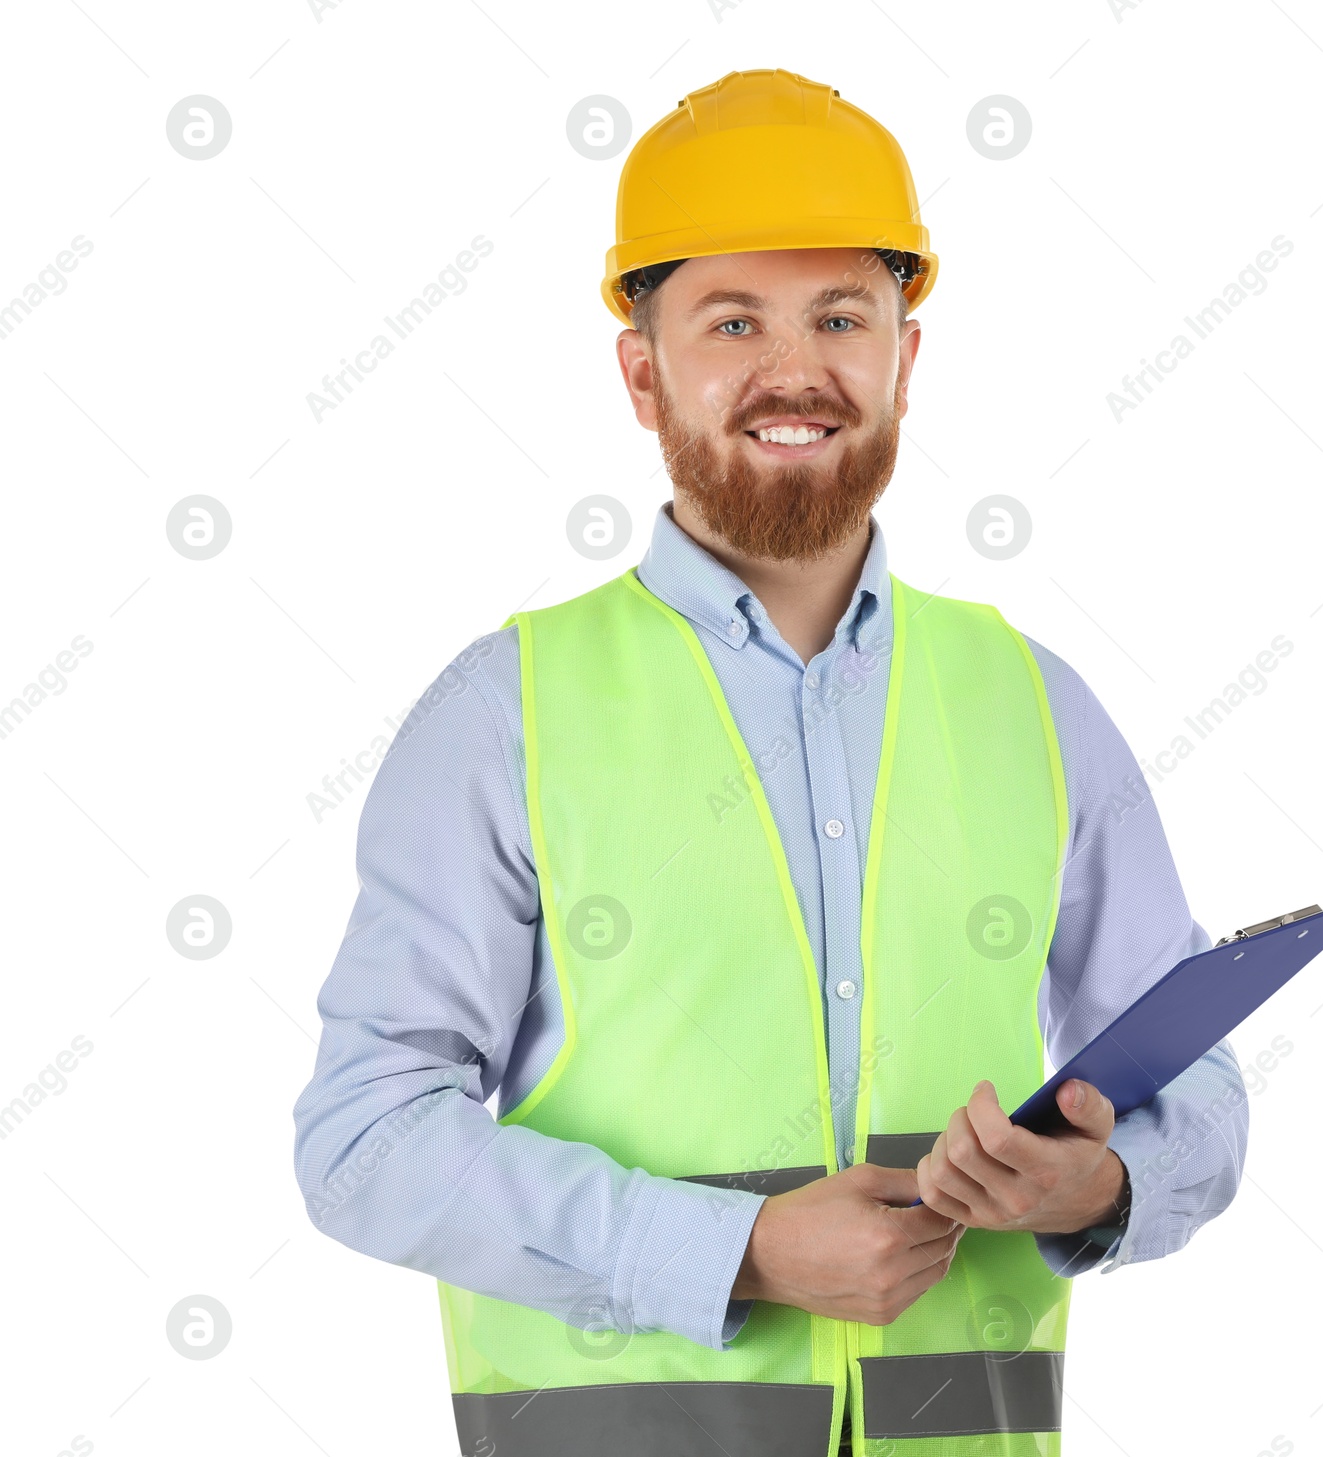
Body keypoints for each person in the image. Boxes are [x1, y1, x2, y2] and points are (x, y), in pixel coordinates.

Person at [292, 67, 1248, 1457]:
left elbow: (1202, 1093)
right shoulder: (504, 713)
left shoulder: (1033, 703)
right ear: (643, 370)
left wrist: (1095, 1182)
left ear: (905, 359)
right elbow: (363, 1143)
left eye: (841, 317)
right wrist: (733, 1250)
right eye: (733, 319)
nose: (795, 370)